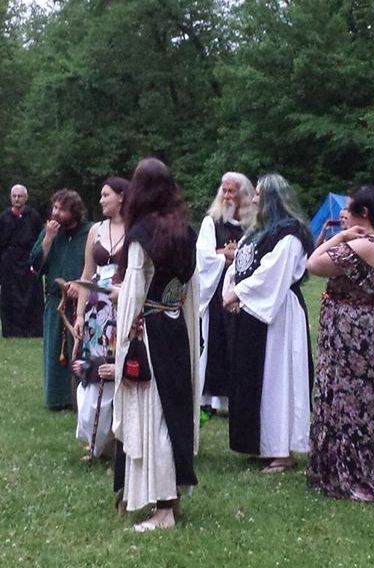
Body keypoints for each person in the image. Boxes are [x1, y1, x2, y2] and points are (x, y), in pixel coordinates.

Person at [113, 158, 199, 532]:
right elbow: (188, 289)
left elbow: (133, 290)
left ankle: (163, 510)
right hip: (175, 328)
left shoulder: (143, 234)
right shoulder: (185, 231)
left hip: (149, 333)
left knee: (155, 416)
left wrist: (126, 331)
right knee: (171, 413)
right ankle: (168, 500)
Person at [307, 185, 374, 503]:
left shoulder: (362, 245)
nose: (343, 215)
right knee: (369, 400)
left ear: (364, 214)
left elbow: (313, 263)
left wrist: (339, 237)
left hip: (353, 333)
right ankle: (365, 465)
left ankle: (349, 472)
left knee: (349, 400)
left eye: (349, 210)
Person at [223, 173, 313, 473]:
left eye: (260, 193)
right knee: (254, 378)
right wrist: (231, 292)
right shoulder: (256, 232)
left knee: (277, 380)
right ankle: (261, 444)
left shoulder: (289, 235)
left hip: (278, 315)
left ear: (273, 198)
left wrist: (238, 294)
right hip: (252, 310)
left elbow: (273, 274)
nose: (254, 198)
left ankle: (282, 450)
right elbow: (238, 267)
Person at [72, 177, 128, 460]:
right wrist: (80, 314)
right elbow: (86, 274)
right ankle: (95, 440)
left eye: (106, 195)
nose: (101, 200)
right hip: (96, 311)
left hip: (122, 305)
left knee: (116, 367)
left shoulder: (134, 230)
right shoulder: (96, 230)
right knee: (93, 370)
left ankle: (120, 440)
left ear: (121, 197)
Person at [197, 172, 254, 415]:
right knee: (217, 341)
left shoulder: (252, 226)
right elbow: (204, 255)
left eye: (233, 192)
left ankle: (238, 398)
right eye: (225, 191)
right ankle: (213, 399)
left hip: (244, 291)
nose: (228, 196)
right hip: (217, 289)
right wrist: (229, 255)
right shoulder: (211, 222)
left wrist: (226, 253)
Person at [31, 190, 92, 410]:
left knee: (82, 349)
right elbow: (36, 264)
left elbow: (94, 266)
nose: (56, 213)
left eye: (62, 209)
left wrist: (80, 285)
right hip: (56, 301)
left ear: (74, 211)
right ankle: (57, 399)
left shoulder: (89, 232)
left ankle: (81, 398)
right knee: (55, 349)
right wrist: (48, 238)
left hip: (82, 302)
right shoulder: (49, 232)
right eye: (54, 208)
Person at [0, 184, 44, 337]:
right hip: (9, 262)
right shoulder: (4, 217)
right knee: (9, 295)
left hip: (28, 261)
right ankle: (11, 330)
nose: (17, 199)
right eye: (14, 196)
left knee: (32, 295)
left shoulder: (34, 216)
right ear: (10, 197)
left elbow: (40, 240)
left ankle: (33, 330)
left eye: (20, 196)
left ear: (26, 198)